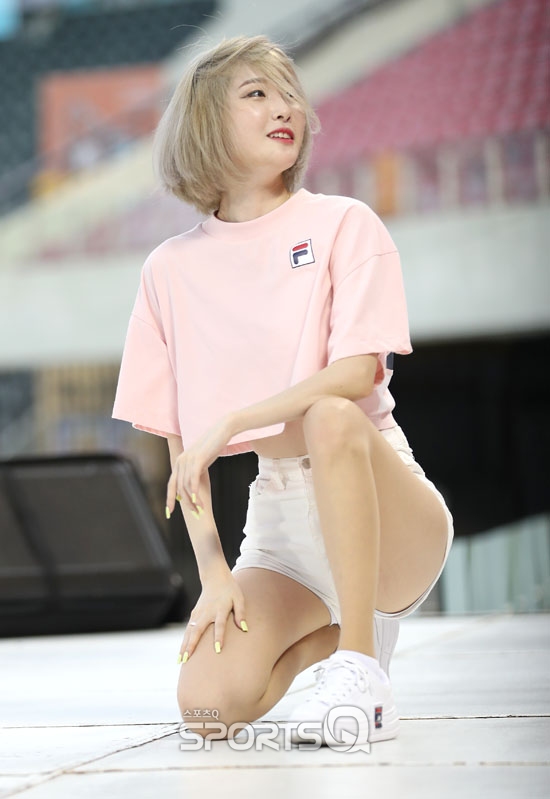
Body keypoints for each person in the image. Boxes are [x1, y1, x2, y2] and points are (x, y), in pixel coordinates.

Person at [112, 34, 454, 747]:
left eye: (290, 92)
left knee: (330, 415)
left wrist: (233, 418)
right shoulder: (167, 270)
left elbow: (355, 376)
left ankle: (361, 665)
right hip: (280, 528)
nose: (285, 107)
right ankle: (342, 639)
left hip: (381, 500)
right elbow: (181, 453)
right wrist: (214, 573)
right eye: (257, 93)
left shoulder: (344, 223)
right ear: (206, 123)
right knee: (207, 710)